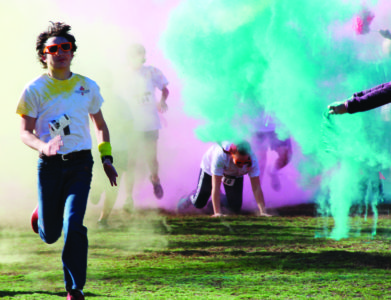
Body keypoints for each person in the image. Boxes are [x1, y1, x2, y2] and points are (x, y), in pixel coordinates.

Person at [16, 22, 118, 300]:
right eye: (54, 48)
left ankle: (74, 288)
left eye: (66, 47)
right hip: (49, 165)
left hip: (81, 165)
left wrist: (106, 157)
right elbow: (25, 133)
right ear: (43, 55)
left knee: (74, 225)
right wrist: (44, 146)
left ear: (72, 53)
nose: (60, 52)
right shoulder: (34, 89)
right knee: (50, 235)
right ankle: (42, 214)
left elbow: (100, 125)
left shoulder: (87, 86)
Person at [97, 43, 169, 226]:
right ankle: (129, 198)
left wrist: (161, 102)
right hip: (132, 125)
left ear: (144, 56)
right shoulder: (123, 74)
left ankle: (155, 179)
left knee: (151, 159)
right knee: (131, 162)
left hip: (150, 123)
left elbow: (165, 89)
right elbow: (115, 94)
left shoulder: (152, 72)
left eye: (140, 54)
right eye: (133, 55)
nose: (137, 58)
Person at [177, 141, 271, 217]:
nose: (242, 165)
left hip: (233, 174)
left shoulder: (253, 161)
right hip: (210, 169)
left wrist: (263, 211)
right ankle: (191, 197)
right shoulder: (220, 156)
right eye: (239, 162)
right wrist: (217, 213)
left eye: (245, 162)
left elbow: (256, 188)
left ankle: (215, 202)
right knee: (199, 203)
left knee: (235, 207)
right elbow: (216, 187)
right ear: (231, 155)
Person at [254, 113, 292, 191]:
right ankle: (257, 194)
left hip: (278, 126)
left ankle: (273, 171)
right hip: (257, 127)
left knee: (286, 157)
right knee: (259, 162)